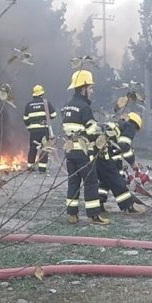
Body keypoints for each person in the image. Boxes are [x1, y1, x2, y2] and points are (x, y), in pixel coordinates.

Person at [61, 70, 109, 225]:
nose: (92, 91)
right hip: (83, 153)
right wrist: (102, 134)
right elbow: (92, 132)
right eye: (90, 88)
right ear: (83, 88)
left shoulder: (67, 106)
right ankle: (93, 215)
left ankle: (72, 214)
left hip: (70, 153)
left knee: (73, 182)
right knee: (91, 183)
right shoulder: (84, 108)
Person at [97, 113, 146, 215]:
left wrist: (132, 160)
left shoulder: (117, 124)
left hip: (98, 154)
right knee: (117, 181)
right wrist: (132, 162)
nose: (134, 132)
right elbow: (124, 145)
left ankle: (98, 205)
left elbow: (122, 146)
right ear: (135, 124)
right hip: (107, 155)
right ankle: (128, 206)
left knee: (104, 181)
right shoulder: (129, 126)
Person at [23, 84, 57, 173]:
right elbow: (54, 115)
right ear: (42, 94)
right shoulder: (46, 103)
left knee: (32, 148)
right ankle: (42, 169)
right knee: (44, 148)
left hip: (33, 131)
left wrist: (30, 127)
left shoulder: (28, 105)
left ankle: (30, 167)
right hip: (44, 130)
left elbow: (25, 119)